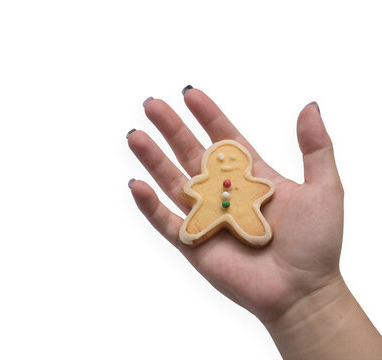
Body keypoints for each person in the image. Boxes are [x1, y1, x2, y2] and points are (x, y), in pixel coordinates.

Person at [126, 85, 382, 359]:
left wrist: (312, 296)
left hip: (243, 218)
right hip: (211, 214)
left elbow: (259, 189)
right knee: (198, 225)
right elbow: (195, 189)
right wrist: (312, 302)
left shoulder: (255, 187)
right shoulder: (203, 185)